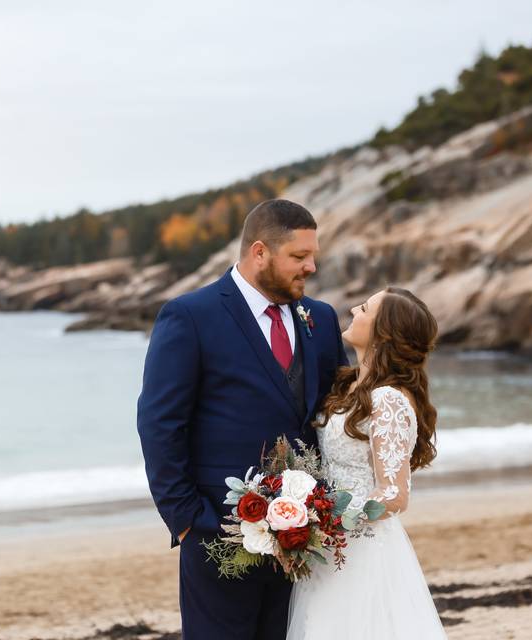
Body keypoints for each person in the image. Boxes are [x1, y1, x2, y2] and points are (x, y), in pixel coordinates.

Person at [137, 199, 349, 640]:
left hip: (304, 536)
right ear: (259, 252)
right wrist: (188, 519)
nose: (311, 267)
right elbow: (160, 423)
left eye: (313, 255)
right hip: (219, 529)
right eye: (298, 256)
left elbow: (337, 411)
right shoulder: (191, 315)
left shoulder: (321, 319)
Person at [286, 286, 446, 639]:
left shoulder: (387, 399)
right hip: (331, 548)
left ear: (383, 331)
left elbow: (394, 494)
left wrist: (329, 521)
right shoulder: (349, 386)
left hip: (361, 550)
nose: (354, 311)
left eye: (364, 309)